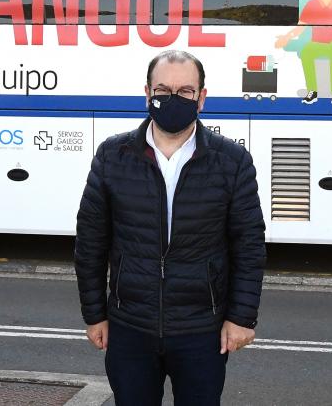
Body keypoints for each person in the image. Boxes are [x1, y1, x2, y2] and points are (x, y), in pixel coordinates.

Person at [75, 49, 266, 406]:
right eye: (163, 90)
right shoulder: (112, 156)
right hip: (129, 327)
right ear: (147, 94)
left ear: (201, 98)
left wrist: (241, 317)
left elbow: (249, 245)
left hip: (201, 331)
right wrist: (95, 314)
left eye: (185, 91)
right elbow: (90, 242)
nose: (172, 99)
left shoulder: (232, 161)